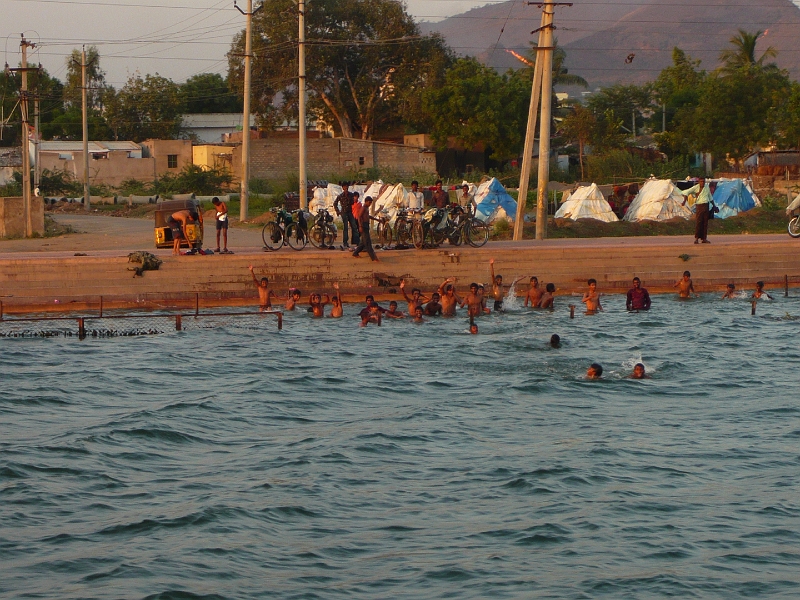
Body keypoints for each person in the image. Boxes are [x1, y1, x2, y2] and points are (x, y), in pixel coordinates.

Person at [680, 177, 713, 244]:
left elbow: (710, 197)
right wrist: (684, 201)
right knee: (699, 222)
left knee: (705, 223)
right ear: (698, 182)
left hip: (706, 206)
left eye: (703, 181)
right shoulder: (696, 188)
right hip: (699, 206)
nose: (702, 183)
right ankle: (696, 238)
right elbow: (686, 192)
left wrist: (714, 206)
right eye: (701, 181)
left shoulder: (707, 187)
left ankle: (704, 238)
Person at [352, 196, 380, 262]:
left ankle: (355, 253)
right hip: (363, 225)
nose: (370, 204)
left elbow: (368, 216)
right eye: (369, 202)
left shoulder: (366, 208)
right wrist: (360, 226)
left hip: (366, 225)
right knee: (367, 242)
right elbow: (359, 217)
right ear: (366, 201)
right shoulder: (363, 208)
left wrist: (376, 219)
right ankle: (373, 258)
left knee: (363, 242)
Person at [333, 181, 359, 249]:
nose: (346, 188)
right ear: (343, 188)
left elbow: (354, 202)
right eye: (344, 187)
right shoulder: (340, 196)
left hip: (350, 212)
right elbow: (335, 203)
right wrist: (338, 212)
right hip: (344, 212)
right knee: (345, 228)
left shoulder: (351, 195)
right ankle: (345, 242)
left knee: (354, 226)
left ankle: (356, 242)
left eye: (347, 186)